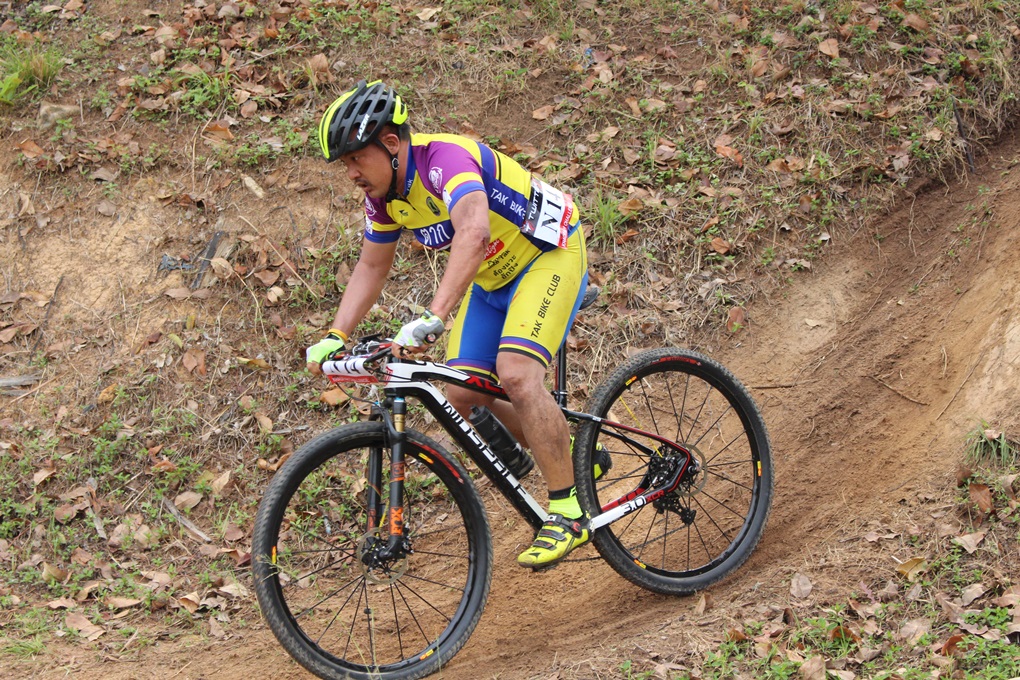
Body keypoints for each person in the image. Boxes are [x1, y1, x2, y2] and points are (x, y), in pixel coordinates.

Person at [305, 79, 596, 568]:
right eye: (344, 163)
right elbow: (372, 266)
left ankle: (568, 513)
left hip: (548, 254)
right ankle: (571, 453)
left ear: (391, 143)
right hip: (494, 279)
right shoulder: (385, 196)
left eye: (356, 158)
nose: (351, 172)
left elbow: (475, 232)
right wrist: (336, 335)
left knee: (517, 375)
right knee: (460, 392)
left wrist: (435, 316)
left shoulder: (445, 161)